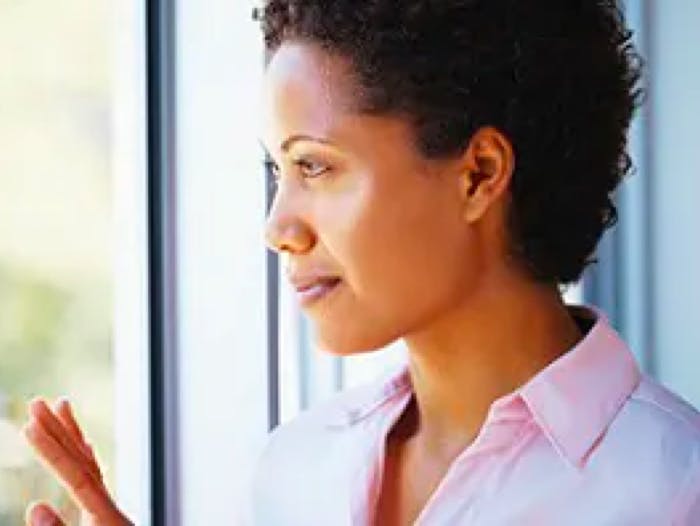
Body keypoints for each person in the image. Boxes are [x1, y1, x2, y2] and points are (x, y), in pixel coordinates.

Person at [22, 1, 700, 524]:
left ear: (478, 174)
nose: (278, 228)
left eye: (315, 166)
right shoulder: (298, 469)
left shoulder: (674, 491)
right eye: (277, 171)